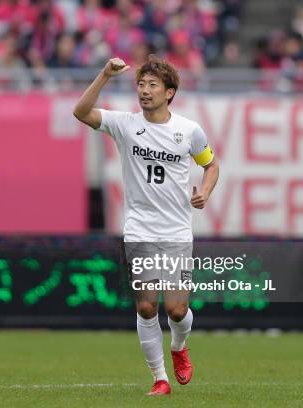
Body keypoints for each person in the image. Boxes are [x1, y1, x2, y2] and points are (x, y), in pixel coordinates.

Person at [73, 55, 219, 396]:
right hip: (139, 229)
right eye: (141, 84)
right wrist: (105, 76)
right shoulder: (125, 124)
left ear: (169, 93)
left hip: (177, 232)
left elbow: (211, 166)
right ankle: (160, 378)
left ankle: (179, 348)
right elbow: (80, 112)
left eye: (153, 85)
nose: (145, 91)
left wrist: (206, 193)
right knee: (146, 305)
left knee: (177, 309)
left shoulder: (188, 131)